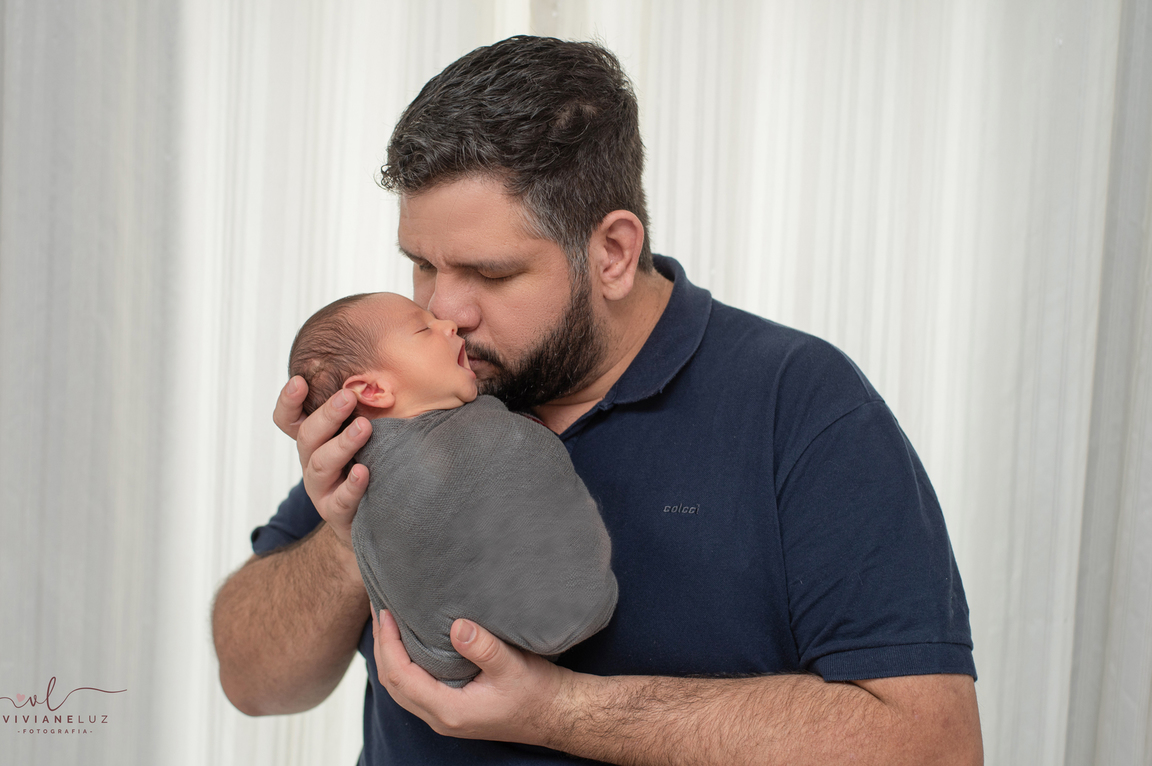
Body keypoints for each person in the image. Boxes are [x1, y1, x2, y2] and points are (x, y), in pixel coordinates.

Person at [212, 35, 984, 765]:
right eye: (422, 264)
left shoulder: (800, 403)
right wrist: (354, 529)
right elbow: (254, 683)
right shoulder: (422, 394)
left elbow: (930, 745)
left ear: (612, 252)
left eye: (491, 273)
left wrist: (560, 711)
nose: (445, 310)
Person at [286, 291, 618, 687]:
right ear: (373, 391)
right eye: (424, 328)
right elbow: (250, 686)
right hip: (567, 610)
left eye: (496, 276)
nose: (449, 322)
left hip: (443, 663)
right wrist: (343, 540)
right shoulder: (340, 479)